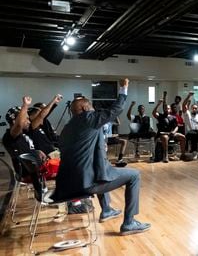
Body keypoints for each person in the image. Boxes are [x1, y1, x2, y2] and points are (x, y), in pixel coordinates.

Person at [53, 78, 150, 236]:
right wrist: (124, 88)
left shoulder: (67, 128)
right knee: (134, 175)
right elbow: (115, 109)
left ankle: (106, 210)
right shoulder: (88, 118)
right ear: (85, 107)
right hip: (84, 184)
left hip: (68, 184)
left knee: (102, 171)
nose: (93, 108)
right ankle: (129, 223)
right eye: (91, 105)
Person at [153, 92, 186, 162]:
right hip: (162, 134)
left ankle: (183, 155)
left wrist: (173, 132)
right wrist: (158, 104)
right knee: (165, 137)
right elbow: (153, 113)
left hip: (171, 133)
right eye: (165, 108)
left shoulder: (173, 117)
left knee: (183, 137)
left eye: (168, 108)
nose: (166, 109)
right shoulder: (160, 116)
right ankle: (166, 155)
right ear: (163, 109)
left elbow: (176, 127)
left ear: (170, 110)